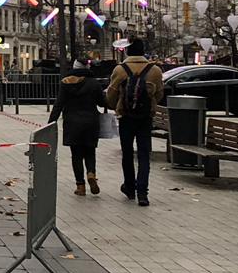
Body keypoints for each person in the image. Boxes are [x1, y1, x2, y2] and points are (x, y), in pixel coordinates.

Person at [106, 40, 164, 206]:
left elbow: (111, 94)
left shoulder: (120, 69)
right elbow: (159, 93)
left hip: (126, 117)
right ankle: (143, 193)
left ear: (128, 52)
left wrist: (116, 106)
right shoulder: (154, 70)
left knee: (127, 153)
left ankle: (130, 187)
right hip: (145, 118)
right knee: (144, 155)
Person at [49, 60, 104, 196]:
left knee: (76, 155)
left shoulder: (66, 82)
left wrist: (51, 121)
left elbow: (59, 103)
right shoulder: (94, 83)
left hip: (72, 122)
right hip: (91, 121)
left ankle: (80, 186)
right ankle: (91, 173)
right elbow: (102, 103)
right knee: (90, 151)